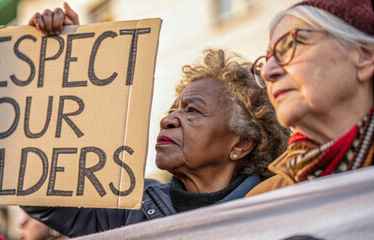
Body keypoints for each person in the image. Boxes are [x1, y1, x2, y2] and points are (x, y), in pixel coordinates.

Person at [23, 4, 290, 237]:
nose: (169, 120)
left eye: (192, 111)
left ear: (241, 144)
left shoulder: (280, 208)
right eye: (173, 109)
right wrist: (61, 64)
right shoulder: (130, 205)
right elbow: (42, 196)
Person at [247, 0, 374, 196]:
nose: (267, 72)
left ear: (365, 57)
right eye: (267, 60)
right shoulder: (262, 200)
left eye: (290, 45)